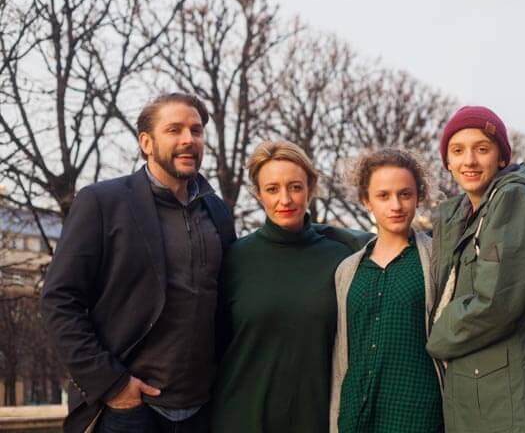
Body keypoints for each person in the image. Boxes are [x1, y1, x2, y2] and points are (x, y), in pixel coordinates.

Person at [40, 93, 237, 433]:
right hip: (128, 411)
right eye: (174, 130)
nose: (189, 139)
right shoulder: (102, 202)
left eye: (196, 130)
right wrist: (112, 384)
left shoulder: (216, 211)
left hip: (201, 410)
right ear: (146, 142)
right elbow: (59, 300)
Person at [211, 140, 371, 432]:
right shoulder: (234, 258)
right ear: (258, 194)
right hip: (239, 419)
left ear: (310, 188)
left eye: (295, 187)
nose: (285, 199)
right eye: (272, 189)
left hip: (316, 419)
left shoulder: (342, 260)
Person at [426, 106, 525, 433]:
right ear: (448, 162)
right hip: (476, 396)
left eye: (481, 149)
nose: (469, 160)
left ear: (501, 157)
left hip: (507, 402)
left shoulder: (514, 199)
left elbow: (496, 303)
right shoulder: (460, 215)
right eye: (458, 151)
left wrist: (432, 338)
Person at [330, 149, 443, 433]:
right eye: (383, 195)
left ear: (419, 196)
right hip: (356, 417)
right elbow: (342, 356)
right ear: (366, 200)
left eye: (405, 194)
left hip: (419, 418)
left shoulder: (437, 260)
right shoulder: (346, 271)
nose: (396, 205)